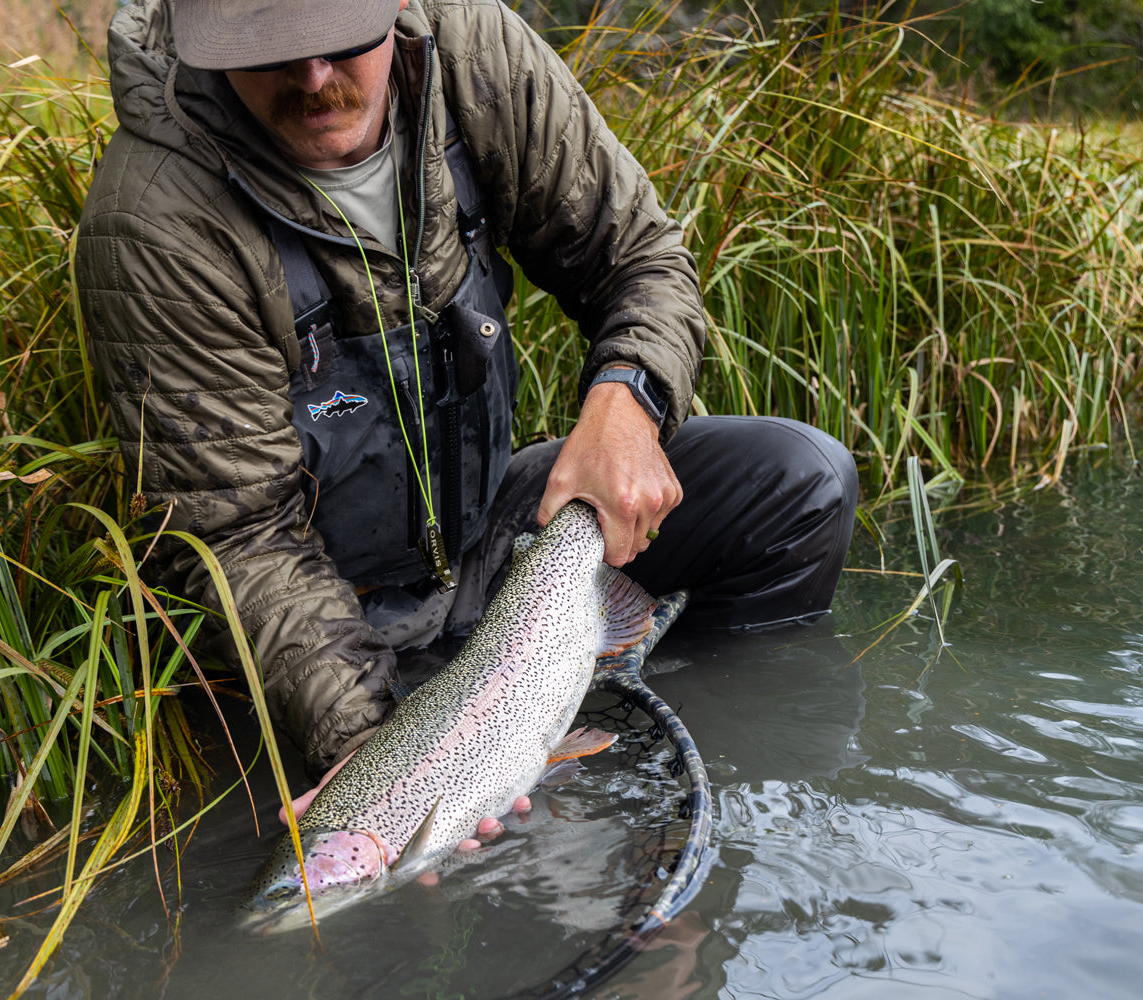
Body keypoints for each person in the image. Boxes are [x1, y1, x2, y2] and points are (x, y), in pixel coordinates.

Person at [75, 0, 859, 813]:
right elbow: (238, 534)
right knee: (403, 851)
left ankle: (664, 790)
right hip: (335, 628)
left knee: (801, 485)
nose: (313, 78)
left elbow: (640, 260)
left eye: (340, 38)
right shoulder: (153, 219)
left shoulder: (475, 58)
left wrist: (628, 397)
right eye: (268, 49)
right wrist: (378, 753)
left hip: (495, 546)